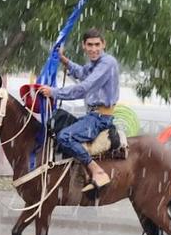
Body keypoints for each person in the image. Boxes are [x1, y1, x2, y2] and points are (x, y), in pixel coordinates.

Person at [38, 28, 121, 193]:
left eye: (97, 44)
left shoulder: (107, 62)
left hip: (100, 118)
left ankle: (97, 171)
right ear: (84, 46)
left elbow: (84, 87)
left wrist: (54, 92)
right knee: (56, 121)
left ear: (104, 44)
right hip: (92, 115)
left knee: (65, 136)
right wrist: (63, 60)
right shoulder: (94, 64)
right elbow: (82, 73)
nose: (93, 48)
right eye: (89, 45)